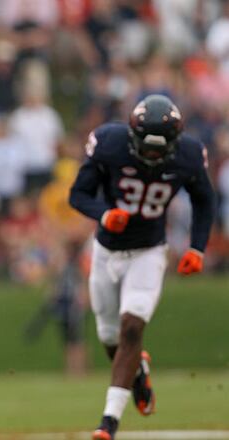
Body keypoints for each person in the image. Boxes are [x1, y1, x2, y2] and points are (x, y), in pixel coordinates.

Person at [69, 94, 215, 440]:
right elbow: (78, 194)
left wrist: (197, 246)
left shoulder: (189, 155)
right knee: (109, 338)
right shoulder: (109, 142)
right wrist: (104, 214)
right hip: (106, 251)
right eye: (145, 148)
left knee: (131, 327)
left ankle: (109, 422)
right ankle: (138, 370)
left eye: (158, 149)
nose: (151, 156)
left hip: (149, 251)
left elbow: (205, 200)